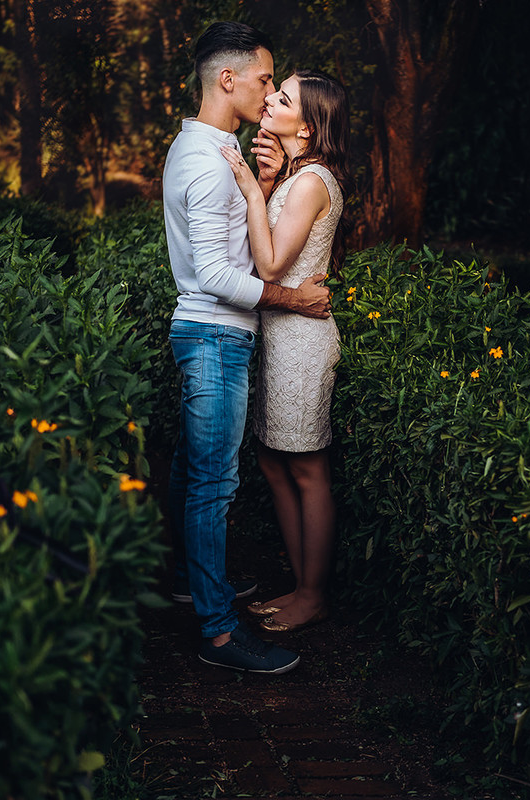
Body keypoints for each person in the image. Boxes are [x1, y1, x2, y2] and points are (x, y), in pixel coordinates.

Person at [163, 21, 330, 675]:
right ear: (225, 80)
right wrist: (296, 300)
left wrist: (259, 186)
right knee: (212, 484)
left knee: (190, 466)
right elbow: (217, 277)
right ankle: (220, 634)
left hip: (210, 334)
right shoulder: (207, 163)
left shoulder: (210, 148)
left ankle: (187, 576)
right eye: (265, 79)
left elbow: (232, 248)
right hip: (214, 337)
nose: (269, 92)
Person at [219, 70, 349, 634]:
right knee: (275, 463)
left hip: (302, 343)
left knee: (308, 468)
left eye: (284, 97)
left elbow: (271, 267)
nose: (270, 99)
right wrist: (267, 186)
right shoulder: (297, 177)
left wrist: (251, 188)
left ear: (310, 123)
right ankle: (301, 585)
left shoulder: (313, 180)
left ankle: (313, 594)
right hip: (280, 334)